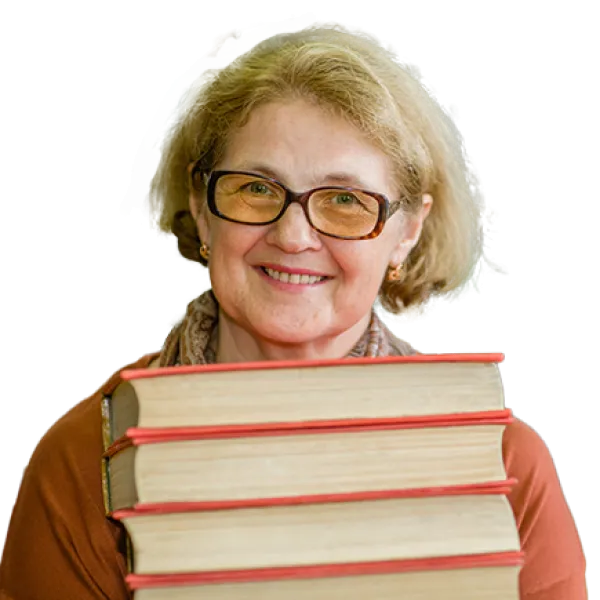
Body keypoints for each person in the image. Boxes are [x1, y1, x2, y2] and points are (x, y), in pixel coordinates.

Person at [0, 19, 588, 600]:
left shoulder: (505, 467)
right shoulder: (86, 460)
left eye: (344, 200)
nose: (293, 235)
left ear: (406, 232)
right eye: (255, 188)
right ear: (203, 208)